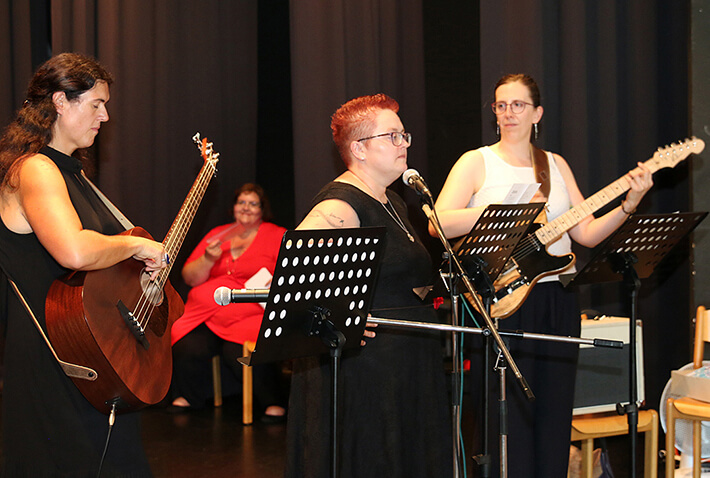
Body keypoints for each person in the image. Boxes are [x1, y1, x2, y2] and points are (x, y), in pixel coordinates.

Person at [431, 73, 653, 477]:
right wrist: (505, 210)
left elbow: (584, 233)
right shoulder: (476, 161)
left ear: (538, 113)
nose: (508, 113)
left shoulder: (554, 165)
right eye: (500, 105)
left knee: (554, 414)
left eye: (517, 105)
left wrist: (629, 204)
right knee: (509, 419)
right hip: (504, 302)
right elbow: (437, 225)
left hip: (556, 298)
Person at [0, 53, 167, 476]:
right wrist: (135, 249)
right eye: (96, 104)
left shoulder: (72, 174)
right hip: (53, 359)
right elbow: (73, 253)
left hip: (88, 353)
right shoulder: (35, 169)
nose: (105, 116)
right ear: (60, 102)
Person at [285, 94, 453, 478]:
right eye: (393, 136)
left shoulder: (392, 199)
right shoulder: (341, 205)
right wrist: (347, 317)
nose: (405, 143)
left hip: (404, 363)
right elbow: (295, 276)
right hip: (370, 370)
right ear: (359, 148)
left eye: (404, 134)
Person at [170, 184, 288, 420]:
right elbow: (190, 277)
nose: (246, 208)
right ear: (233, 207)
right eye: (241, 202)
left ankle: (273, 401)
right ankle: (191, 396)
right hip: (207, 312)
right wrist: (208, 258)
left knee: (236, 353)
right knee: (188, 346)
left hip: (251, 314)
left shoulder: (276, 235)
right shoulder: (219, 234)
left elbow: (293, 273)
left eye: (253, 203)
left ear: (262, 209)